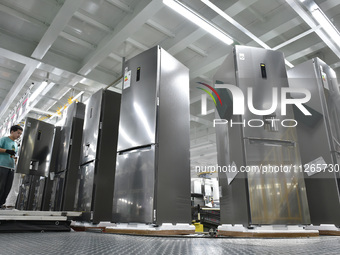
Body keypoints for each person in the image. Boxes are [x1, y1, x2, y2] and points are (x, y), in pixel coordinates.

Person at [0, 125, 23, 208]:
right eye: (18, 133)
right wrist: (6, 150)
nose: (19, 135)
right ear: (12, 132)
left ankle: (1, 203)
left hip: (11, 168)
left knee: (7, 188)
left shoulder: (15, 144)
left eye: (20, 134)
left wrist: (15, 160)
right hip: (2, 166)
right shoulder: (4, 140)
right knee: (1, 186)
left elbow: (14, 156)